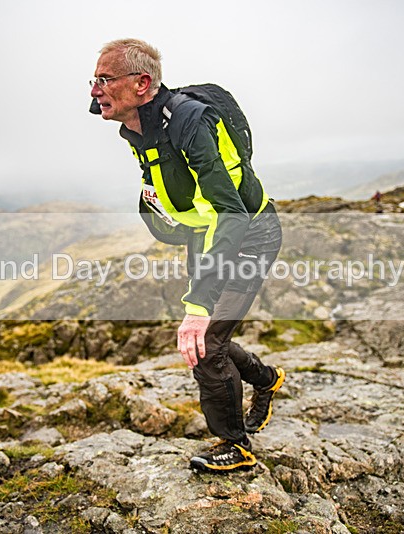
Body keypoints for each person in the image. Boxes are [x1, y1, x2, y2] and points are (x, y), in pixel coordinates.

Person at [89, 38, 285, 473]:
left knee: (205, 340)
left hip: (249, 234)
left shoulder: (190, 122)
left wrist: (196, 307)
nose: (94, 90)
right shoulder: (139, 129)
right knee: (210, 339)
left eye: (104, 79)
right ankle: (266, 380)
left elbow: (230, 211)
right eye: (93, 79)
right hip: (206, 235)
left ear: (142, 83)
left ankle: (235, 446)